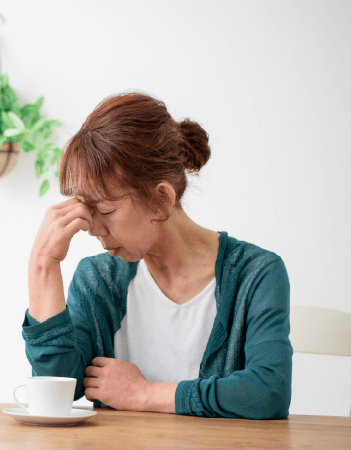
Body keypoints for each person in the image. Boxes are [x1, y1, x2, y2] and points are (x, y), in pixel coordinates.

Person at [22, 91, 292, 419]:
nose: (91, 226)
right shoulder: (97, 279)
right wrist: (43, 266)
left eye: (104, 208)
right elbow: (58, 387)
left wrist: (144, 393)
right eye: (86, 206)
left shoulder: (256, 273)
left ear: (162, 199)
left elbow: (269, 392)